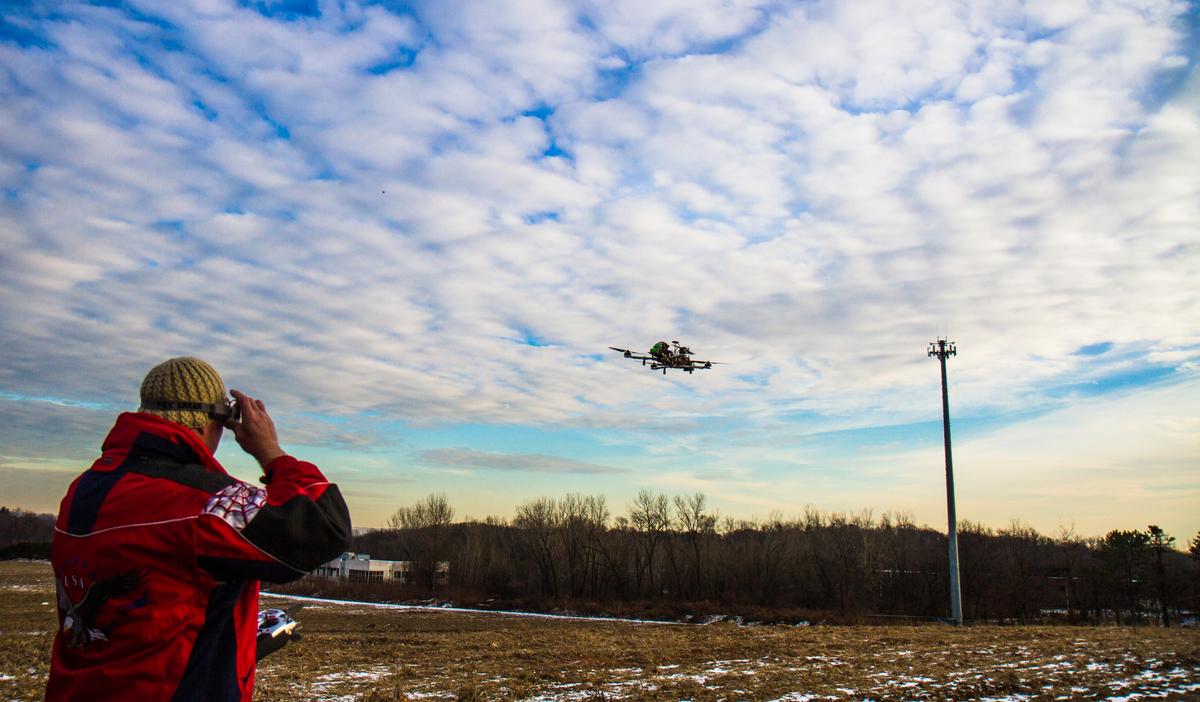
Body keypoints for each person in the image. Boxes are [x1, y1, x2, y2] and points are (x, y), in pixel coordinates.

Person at [46, 357, 352, 701]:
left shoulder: (84, 489)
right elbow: (325, 527)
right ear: (211, 422)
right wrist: (270, 451)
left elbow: (146, 616)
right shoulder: (202, 504)